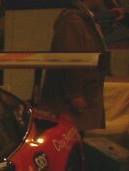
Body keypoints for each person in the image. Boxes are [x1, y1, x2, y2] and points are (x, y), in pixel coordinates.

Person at [40, 0, 111, 131]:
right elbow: (70, 58)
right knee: (72, 136)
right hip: (72, 101)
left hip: (86, 94)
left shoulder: (86, 20)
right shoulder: (73, 21)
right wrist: (75, 94)